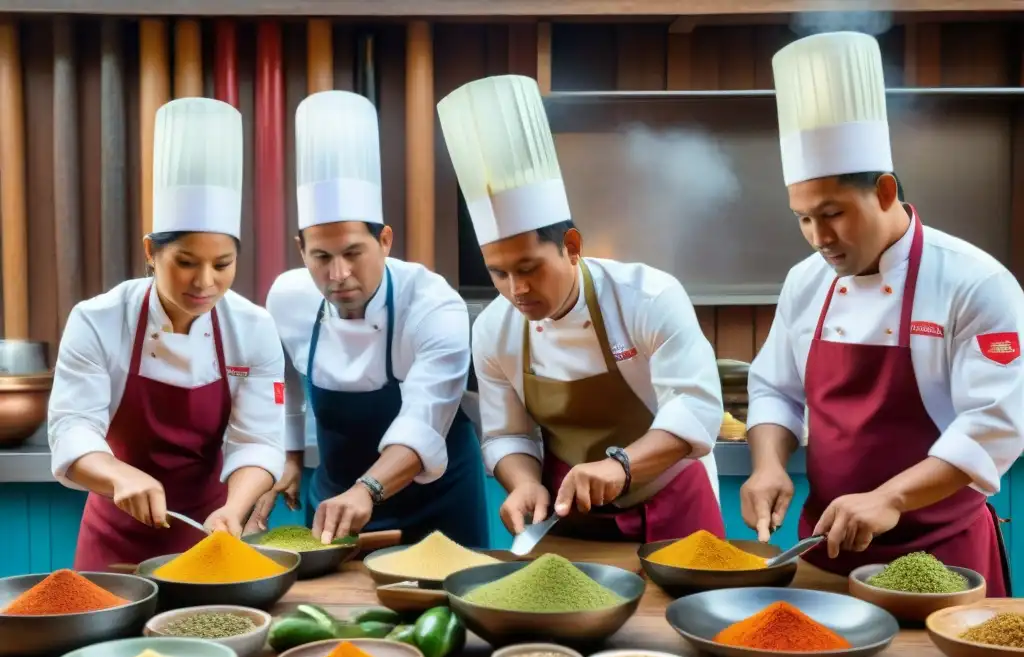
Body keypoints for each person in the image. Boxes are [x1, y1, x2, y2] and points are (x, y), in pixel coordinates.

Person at [741, 31, 1024, 596]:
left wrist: (890, 497)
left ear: (887, 191)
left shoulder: (976, 281)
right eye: (802, 218)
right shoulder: (806, 281)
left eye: (832, 214)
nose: (818, 238)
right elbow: (776, 389)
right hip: (825, 549)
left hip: (942, 557)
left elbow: (994, 424)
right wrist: (768, 463)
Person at [437, 74, 725, 543]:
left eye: (530, 267)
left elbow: (694, 408)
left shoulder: (647, 298)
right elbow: (506, 435)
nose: (517, 289)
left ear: (571, 246)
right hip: (568, 515)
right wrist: (524, 483)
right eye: (499, 273)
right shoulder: (494, 331)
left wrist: (622, 466)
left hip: (673, 505)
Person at [49, 97, 286, 570]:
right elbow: (71, 427)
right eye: (185, 262)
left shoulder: (254, 327)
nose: (205, 283)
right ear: (151, 253)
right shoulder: (99, 319)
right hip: (113, 538)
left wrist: (234, 510)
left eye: (222, 265)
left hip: (209, 533)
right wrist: (117, 475)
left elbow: (259, 440)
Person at [251, 90, 488, 547]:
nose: (337, 275)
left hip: (438, 509)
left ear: (385, 240)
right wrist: (291, 454)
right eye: (320, 256)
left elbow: (426, 417)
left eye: (353, 253)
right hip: (335, 506)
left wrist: (367, 489)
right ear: (300, 249)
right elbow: (284, 383)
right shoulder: (288, 297)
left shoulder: (434, 305)